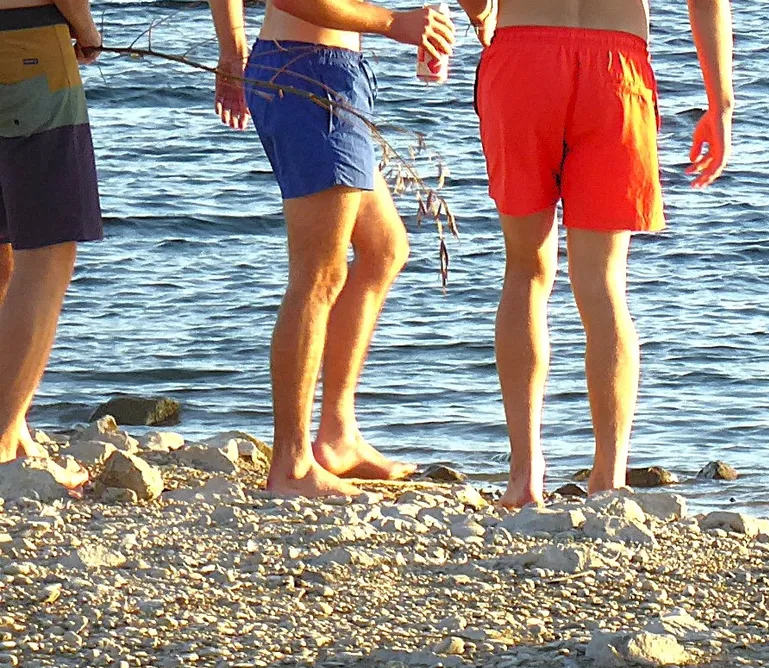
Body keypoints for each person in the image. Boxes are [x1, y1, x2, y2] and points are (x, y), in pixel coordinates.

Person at [458, 0, 731, 509]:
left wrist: (480, 17)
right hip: (616, 62)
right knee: (604, 284)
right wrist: (720, 105)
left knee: (525, 270)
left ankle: (525, 476)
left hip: (523, 55)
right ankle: (608, 478)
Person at [209, 0, 452, 496]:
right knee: (318, 276)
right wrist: (393, 23)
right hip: (312, 75)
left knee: (384, 247)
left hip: (306, 68)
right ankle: (292, 465)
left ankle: (337, 436)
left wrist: (234, 53)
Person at [0, 0, 102, 469]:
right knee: (47, 255)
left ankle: (12, 426)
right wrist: (85, 28)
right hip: (29, 48)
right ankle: (2, 438)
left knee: (5, 256)